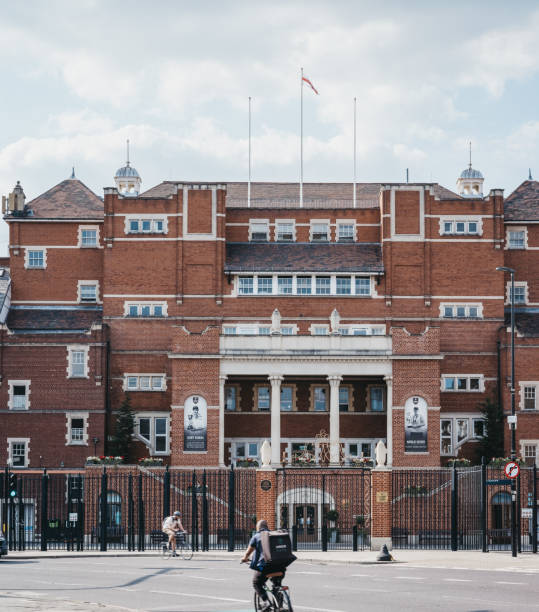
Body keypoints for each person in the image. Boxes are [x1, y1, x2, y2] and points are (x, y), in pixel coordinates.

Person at [241, 519, 285, 611]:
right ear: (267, 527)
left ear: (258, 528)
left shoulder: (257, 536)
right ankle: (280, 604)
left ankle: (266, 602)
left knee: (256, 582)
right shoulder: (274, 535)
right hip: (281, 566)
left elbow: (249, 552)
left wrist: (244, 558)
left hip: (266, 567)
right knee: (277, 584)